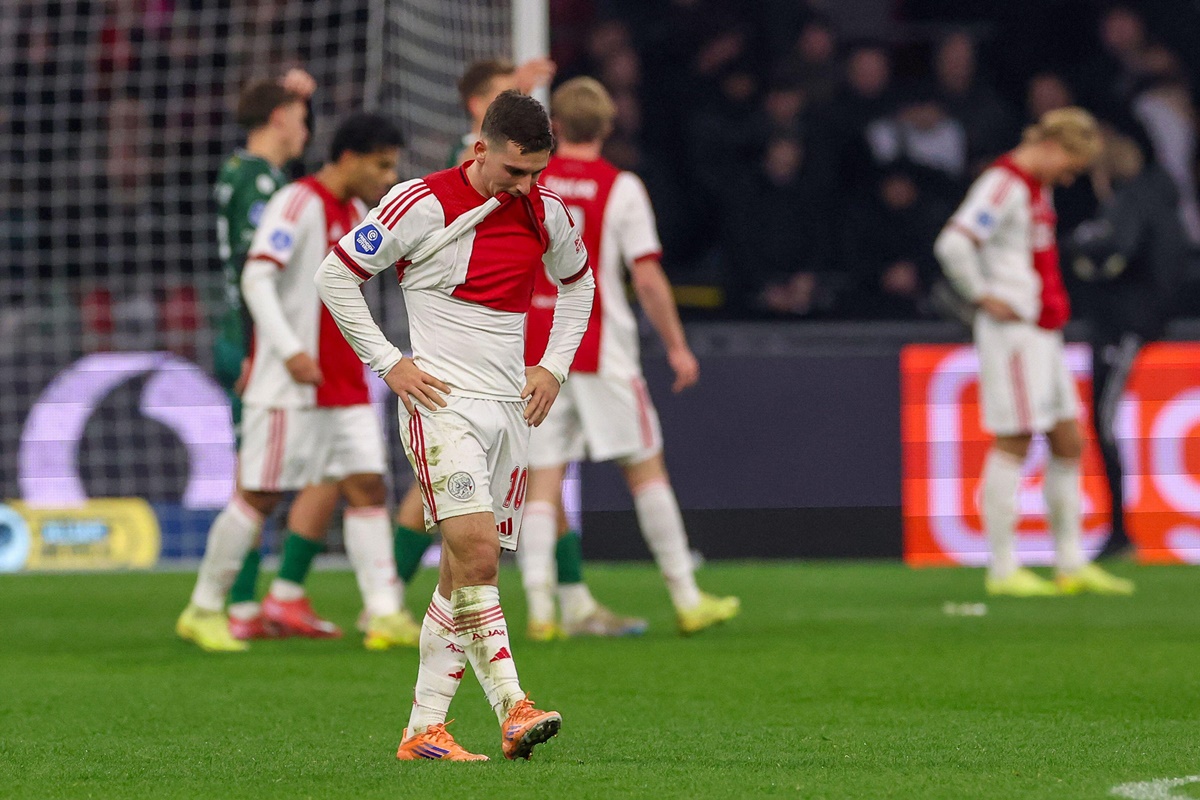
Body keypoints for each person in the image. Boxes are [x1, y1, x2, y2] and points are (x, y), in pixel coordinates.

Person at [315, 90, 594, 761]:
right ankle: (513, 705)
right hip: (442, 406)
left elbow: (579, 285)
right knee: (474, 554)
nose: (525, 186)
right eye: (513, 171)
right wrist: (390, 362)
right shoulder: (422, 203)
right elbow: (335, 275)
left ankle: (423, 732)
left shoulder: (546, 213)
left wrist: (553, 366)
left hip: (510, 413)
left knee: (460, 578)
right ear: (480, 150)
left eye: (535, 173)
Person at [177, 112, 416, 652]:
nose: (386, 177)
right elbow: (256, 276)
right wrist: (288, 351)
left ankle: (383, 613)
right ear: (350, 158)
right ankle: (204, 607)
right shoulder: (297, 201)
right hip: (291, 382)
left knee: (367, 486)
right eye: (381, 165)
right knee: (258, 495)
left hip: (344, 379)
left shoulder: (355, 210)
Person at [523, 77, 740, 636]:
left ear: (558, 128)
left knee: (543, 480)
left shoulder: (528, 184)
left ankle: (542, 612)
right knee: (646, 470)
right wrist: (676, 345)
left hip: (537, 352)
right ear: (609, 128)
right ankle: (688, 599)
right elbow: (645, 275)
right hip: (602, 346)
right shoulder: (621, 188)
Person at [933, 107, 1134, 597]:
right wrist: (980, 293)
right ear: (1052, 146)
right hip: (1014, 332)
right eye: (1070, 166)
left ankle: (1070, 562)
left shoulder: (1033, 187)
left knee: (1069, 439)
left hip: (1043, 329)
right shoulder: (1002, 184)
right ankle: (1003, 568)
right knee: (1015, 439)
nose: (1069, 178)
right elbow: (953, 243)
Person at [1066, 128, 1186, 556]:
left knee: (1103, 417)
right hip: (1131, 322)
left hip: (1126, 326)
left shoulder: (1130, 203)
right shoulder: (1153, 199)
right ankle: (1118, 528)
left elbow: (1113, 251)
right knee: (1102, 419)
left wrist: (1081, 252)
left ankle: (1121, 530)